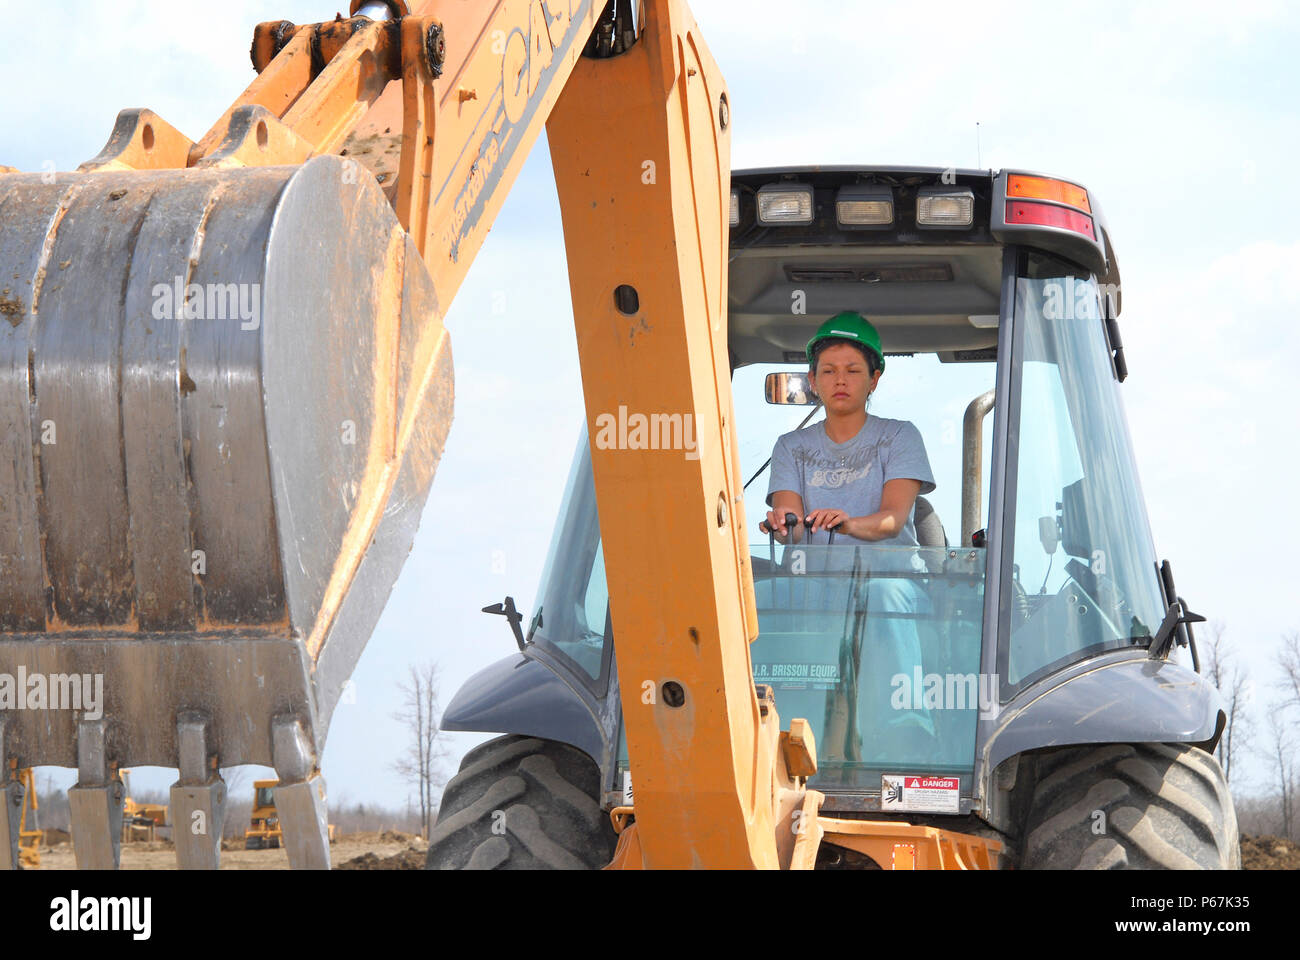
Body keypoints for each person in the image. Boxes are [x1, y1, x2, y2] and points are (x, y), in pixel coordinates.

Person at [761, 311, 938, 762]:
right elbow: (792, 522)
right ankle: (760, 723)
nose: (841, 380)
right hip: (818, 590)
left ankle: (906, 726)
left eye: (854, 370)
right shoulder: (790, 447)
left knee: (884, 596)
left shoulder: (899, 437)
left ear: (874, 379)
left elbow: (892, 521)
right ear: (814, 381)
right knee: (767, 593)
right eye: (829, 371)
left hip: (892, 585)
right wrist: (783, 524)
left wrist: (847, 523)